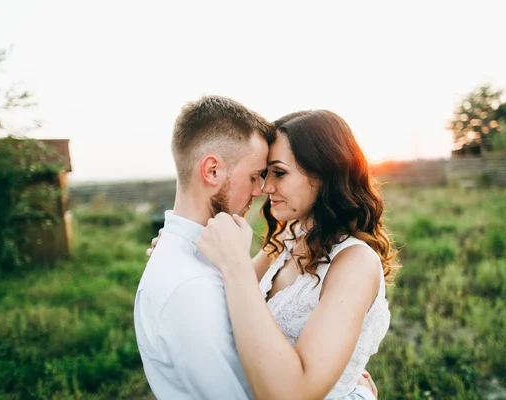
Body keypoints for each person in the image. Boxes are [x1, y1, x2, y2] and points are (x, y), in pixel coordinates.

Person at [135, 96, 380, 399]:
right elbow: (233, 298)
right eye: (262, 174)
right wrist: (186, 252)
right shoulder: (286, 242)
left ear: (324, 173)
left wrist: (356, 392)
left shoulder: (356, 262)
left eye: (278, 173)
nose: (264, 188)